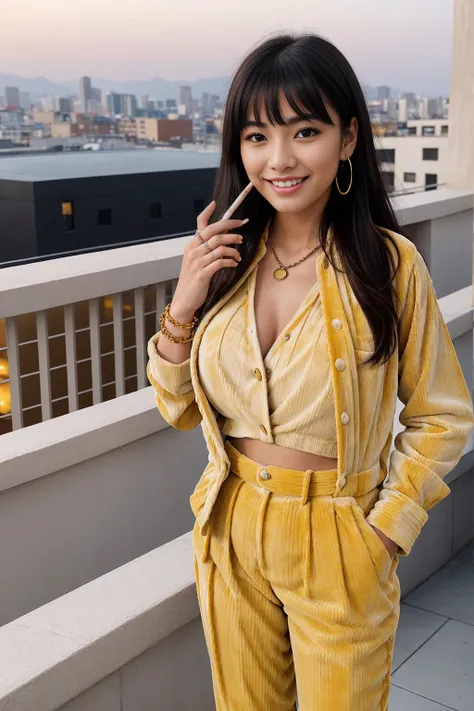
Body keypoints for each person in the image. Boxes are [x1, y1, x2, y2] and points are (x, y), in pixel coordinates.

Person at [146, 33, 474, 711]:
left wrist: (383, 534)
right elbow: (177, 409)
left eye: (306, 130)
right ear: (238, 148)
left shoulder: (389, 266)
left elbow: (442, 414)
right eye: (257, 136)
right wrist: (183, 304)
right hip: (231, 525)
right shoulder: (226, 265)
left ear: (348, 138)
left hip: (339, 534)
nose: (281, 158)